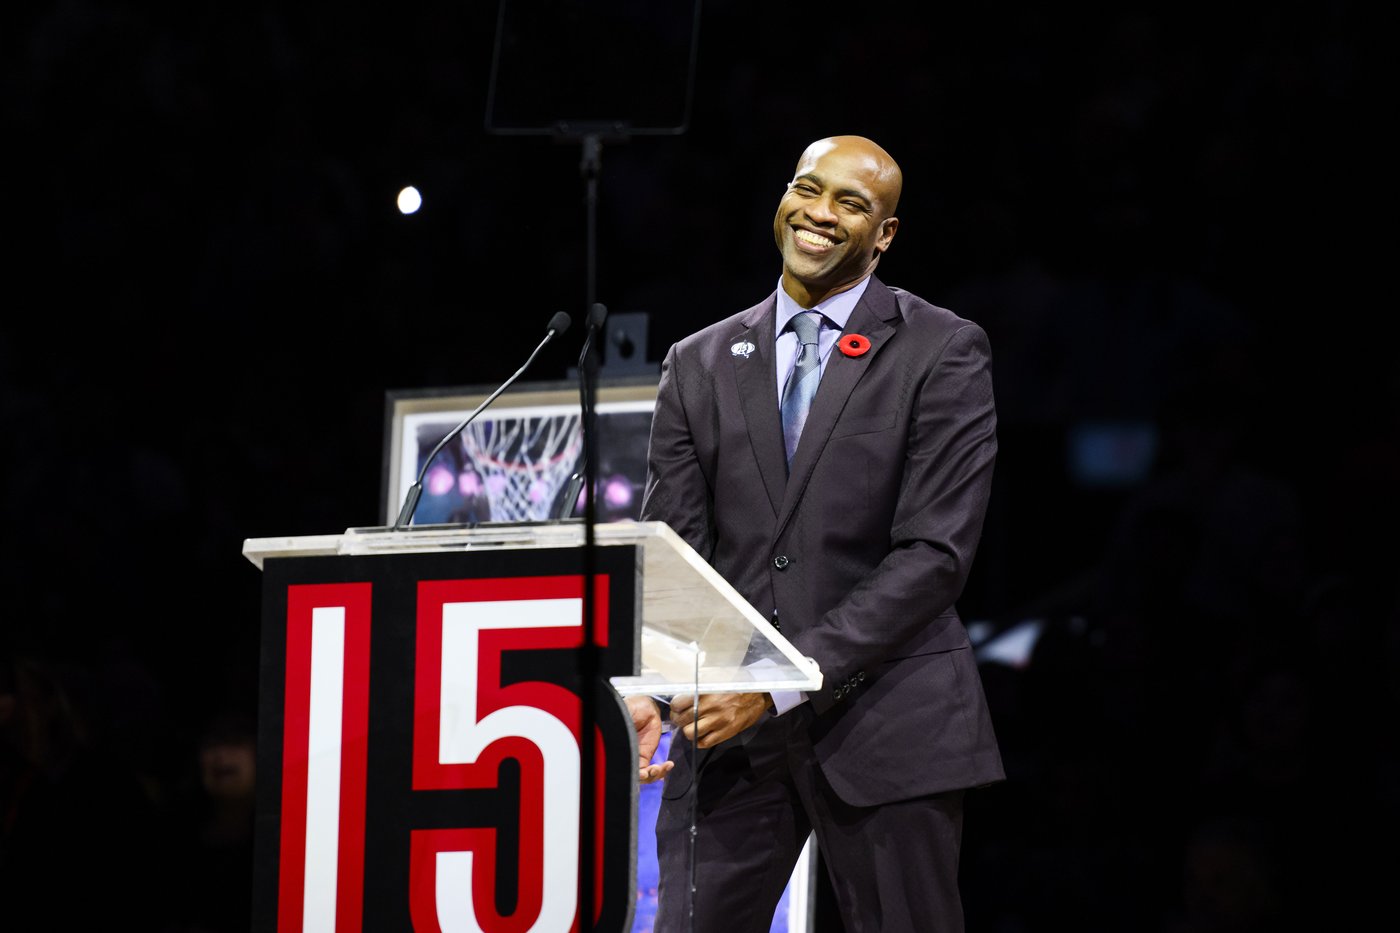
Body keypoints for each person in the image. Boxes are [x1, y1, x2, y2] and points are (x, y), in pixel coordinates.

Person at [626, 134, 1005, 932]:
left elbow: (934, 556)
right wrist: (656, 686)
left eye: (851, 203)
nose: (819, 214)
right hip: (725, 733)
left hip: (888, 714)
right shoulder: (696, 363)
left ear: (886, 233)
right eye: (807, 188)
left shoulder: (942, 349)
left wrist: (777, 682)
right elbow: (676, 552)